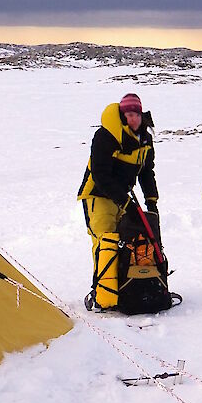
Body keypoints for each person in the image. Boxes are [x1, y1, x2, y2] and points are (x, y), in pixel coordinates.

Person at [77, 92, 159, 310]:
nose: (133, 119)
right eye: (129, 115)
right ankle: (102, 293)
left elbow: (146, 172)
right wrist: (126, 203)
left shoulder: (145, 140)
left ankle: (124, 288)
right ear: (123, 117)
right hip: (98, 195)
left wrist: (151, 201)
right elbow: (101, 175)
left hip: (122, 196)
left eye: (136, 114)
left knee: (128, 242)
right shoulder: (106, 136)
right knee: (106, 242)